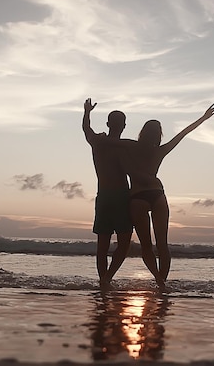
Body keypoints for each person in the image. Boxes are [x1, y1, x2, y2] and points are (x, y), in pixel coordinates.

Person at [115, 104, 214, 290]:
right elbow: (184, 133)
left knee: (146, 245)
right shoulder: (160, 150)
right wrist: (203, 118)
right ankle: (161, 283)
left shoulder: (131, 145)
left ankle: (159, 280)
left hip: (138, 196)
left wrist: (95, 129)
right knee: (162, 244)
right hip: (157, 194)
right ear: (158, 135)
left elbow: (109, 142)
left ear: (142, 132)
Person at [82, 98, 133, 289]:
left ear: (108, 124)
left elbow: (86, 129)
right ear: (124, 126)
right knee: (123, 242)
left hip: (104, 196)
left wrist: (87, 112)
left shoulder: (99, 142)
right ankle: (107, 279)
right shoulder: (126, 146)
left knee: (102, 245)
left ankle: (104, 279)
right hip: (120, 196)